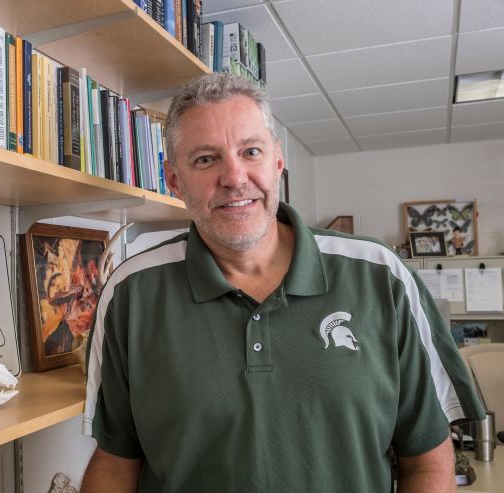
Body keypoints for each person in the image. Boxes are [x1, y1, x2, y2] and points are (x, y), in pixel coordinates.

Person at [81, 73, 484, 492]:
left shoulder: (381, 274)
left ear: (277, 160)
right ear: (174, 180)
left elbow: (427, 459)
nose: (234, 178)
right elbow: (115, 462)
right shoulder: (131, 293)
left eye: (250, 151)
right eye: (205, 159)